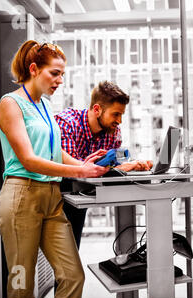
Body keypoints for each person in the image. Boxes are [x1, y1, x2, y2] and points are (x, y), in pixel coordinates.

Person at [0, 40, 110, 298]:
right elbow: (29, 159)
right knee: (21, 284)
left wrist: (82, 164)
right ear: (34, 69)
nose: (60, 80)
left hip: (51, 197)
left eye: (62, 75)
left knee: (72, 276)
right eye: (54, 73)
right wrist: (79, 173)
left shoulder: (45, 105)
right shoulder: (10, 104)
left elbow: (53, 151)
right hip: (20, 197)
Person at [54, 81, 152, 249]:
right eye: (115, 114)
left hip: (82, 194)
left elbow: (114, 167)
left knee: (71, 253)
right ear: (97, 109)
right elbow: (71, 170)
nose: (119, 121)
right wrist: (120, 168)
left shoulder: (112, 132)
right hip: (58, 194)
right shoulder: (68, 123)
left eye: (121, 115)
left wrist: (132, 165)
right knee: (60, 254)